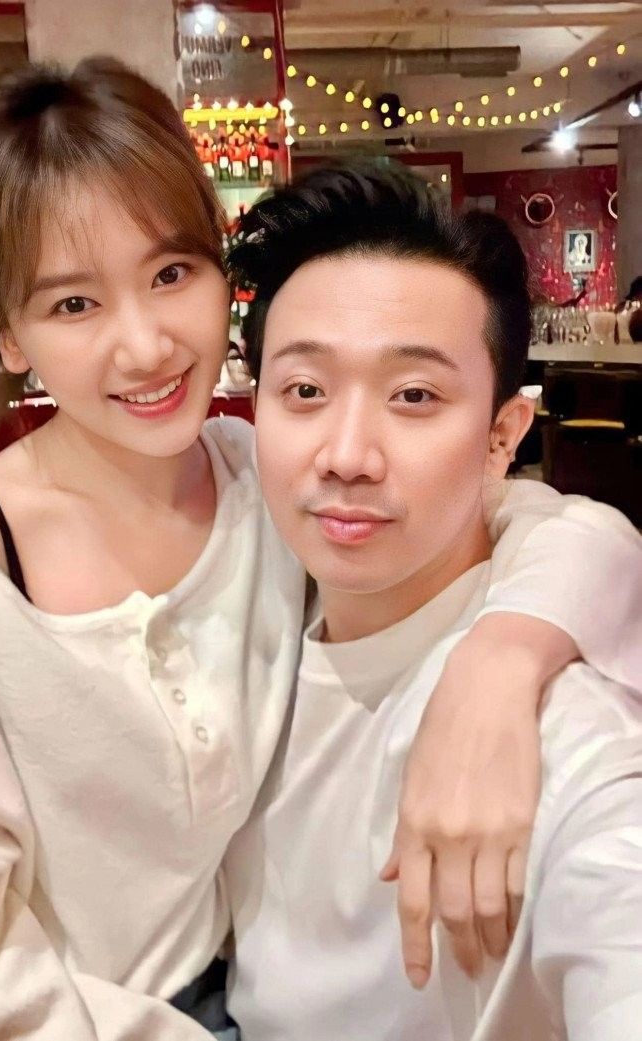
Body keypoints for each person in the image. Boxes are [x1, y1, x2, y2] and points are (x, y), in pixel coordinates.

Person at [0, 62, 640, 1041]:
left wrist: (502, 660)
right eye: (72, 306)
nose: (146, 346)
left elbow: (562, 527)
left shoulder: (254, 479)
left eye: (170, 274)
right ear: (3, 327)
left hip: (244, 993)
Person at [224, 164, 642, 1041]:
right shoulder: (247, 601)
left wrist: (504, 661)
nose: (346, 454)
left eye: (414, 395)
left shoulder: (560, 740)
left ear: (502, 436)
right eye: (305, 390)